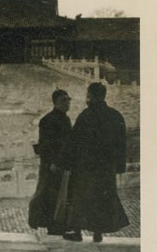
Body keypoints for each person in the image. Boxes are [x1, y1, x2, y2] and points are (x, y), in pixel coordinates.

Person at [60, 82, 130, 243]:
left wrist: (66, 163)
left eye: (88, 95)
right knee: (102, 200)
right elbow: (121, 144)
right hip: (106, 168)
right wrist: (119, 166)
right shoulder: (115, 116)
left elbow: (73, 142)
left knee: (80, 198)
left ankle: (77, 232)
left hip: (85, 167)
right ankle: (98, 233)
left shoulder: (86, 116)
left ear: (91, 96)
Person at [28, 89, 73, 236]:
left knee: (61, 195)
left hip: (63, 163)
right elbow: (45, 145)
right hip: (51, 165)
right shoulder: (47, 120)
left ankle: (57, 224)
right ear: (55, 102)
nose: (67, 103)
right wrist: (52, 163)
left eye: (68, 99)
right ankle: (49, 225)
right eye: (63, 100)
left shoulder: (66, 120)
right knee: (47, 194)